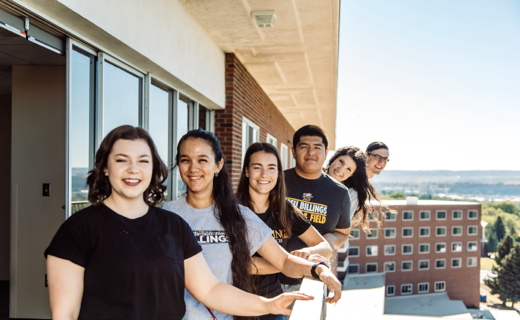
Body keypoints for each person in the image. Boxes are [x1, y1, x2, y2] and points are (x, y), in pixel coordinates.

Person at [44, 125, 314, 320]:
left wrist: (268, 305)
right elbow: (65, 314)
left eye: (143, 161)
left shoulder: (173, 225)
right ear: (105, 166)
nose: (133, 169)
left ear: (153, 169)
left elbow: (209, 289)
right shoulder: (77, 231)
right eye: (121, 160)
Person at [162, 129, 342, 320]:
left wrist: (318, 269)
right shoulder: (165, 215)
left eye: (202, 160)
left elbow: (284, 261)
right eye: (185, 160)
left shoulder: (239, 215)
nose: (193, 168)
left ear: (218, 165)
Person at [236, 142, 333, 320]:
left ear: (278, 174)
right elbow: (243, 265)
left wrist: (306, 254)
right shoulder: (231, 211)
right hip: (236, 308)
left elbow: (325, 247)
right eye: (257, 167)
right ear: (247, 171)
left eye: (271, 168)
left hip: (274, 308)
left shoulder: (284, 210)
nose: (264, 174)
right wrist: (292, 263)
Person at [280, 125, 351, 299]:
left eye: (317, 147)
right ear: (293, 151)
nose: (311, 152)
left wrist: (327, 242)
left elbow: (342, 233)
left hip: (310, 279)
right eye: (304, 146)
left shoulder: (340, 193)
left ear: (326, 152)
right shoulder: (276, 181)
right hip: (267, 276)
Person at [324, 146, 385, 231]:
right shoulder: (312, 175)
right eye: (341, 161)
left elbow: (339, 229)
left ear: (352, 174)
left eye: (348, 169)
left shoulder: (350, 193)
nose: (340, 169)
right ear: (334, 158)